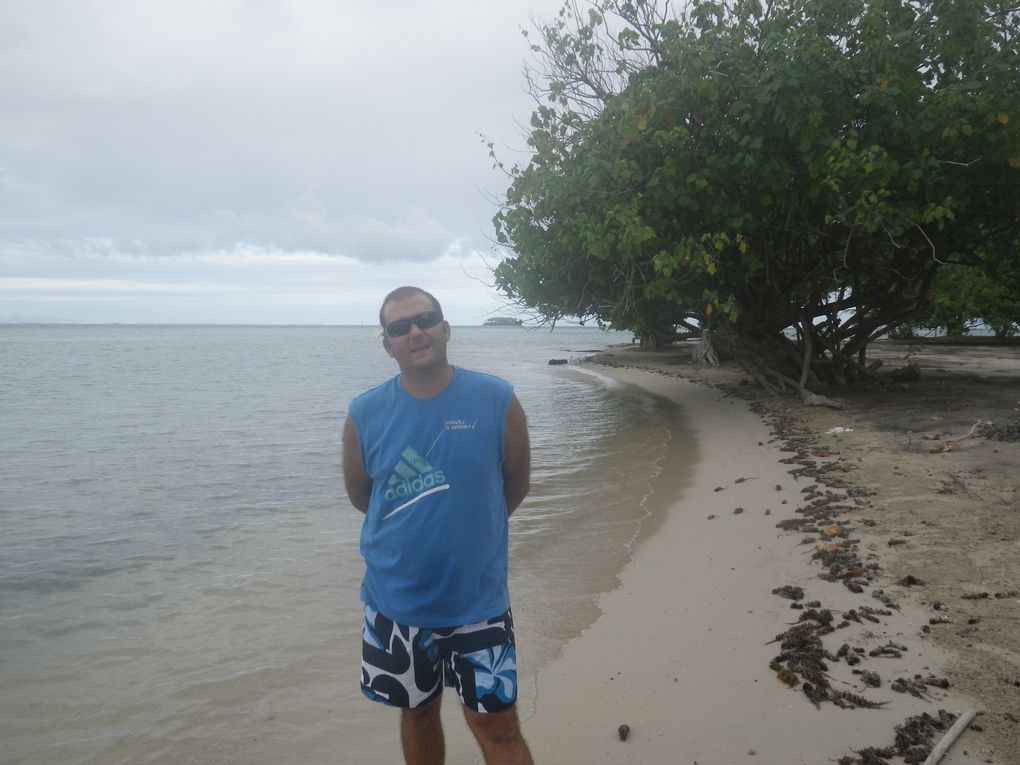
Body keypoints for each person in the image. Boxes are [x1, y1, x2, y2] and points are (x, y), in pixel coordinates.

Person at [342, 286, 534, 765]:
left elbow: (516, 483)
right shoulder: (363, 414)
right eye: (399, 327)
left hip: (478, 602)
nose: (415, 331)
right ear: (387, 344)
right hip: (396, 604)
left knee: (499, 727)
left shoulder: (496, 398)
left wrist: (472, 531)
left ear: (445, 329)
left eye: (425, 319)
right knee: (418, 714)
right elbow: (364, 498)